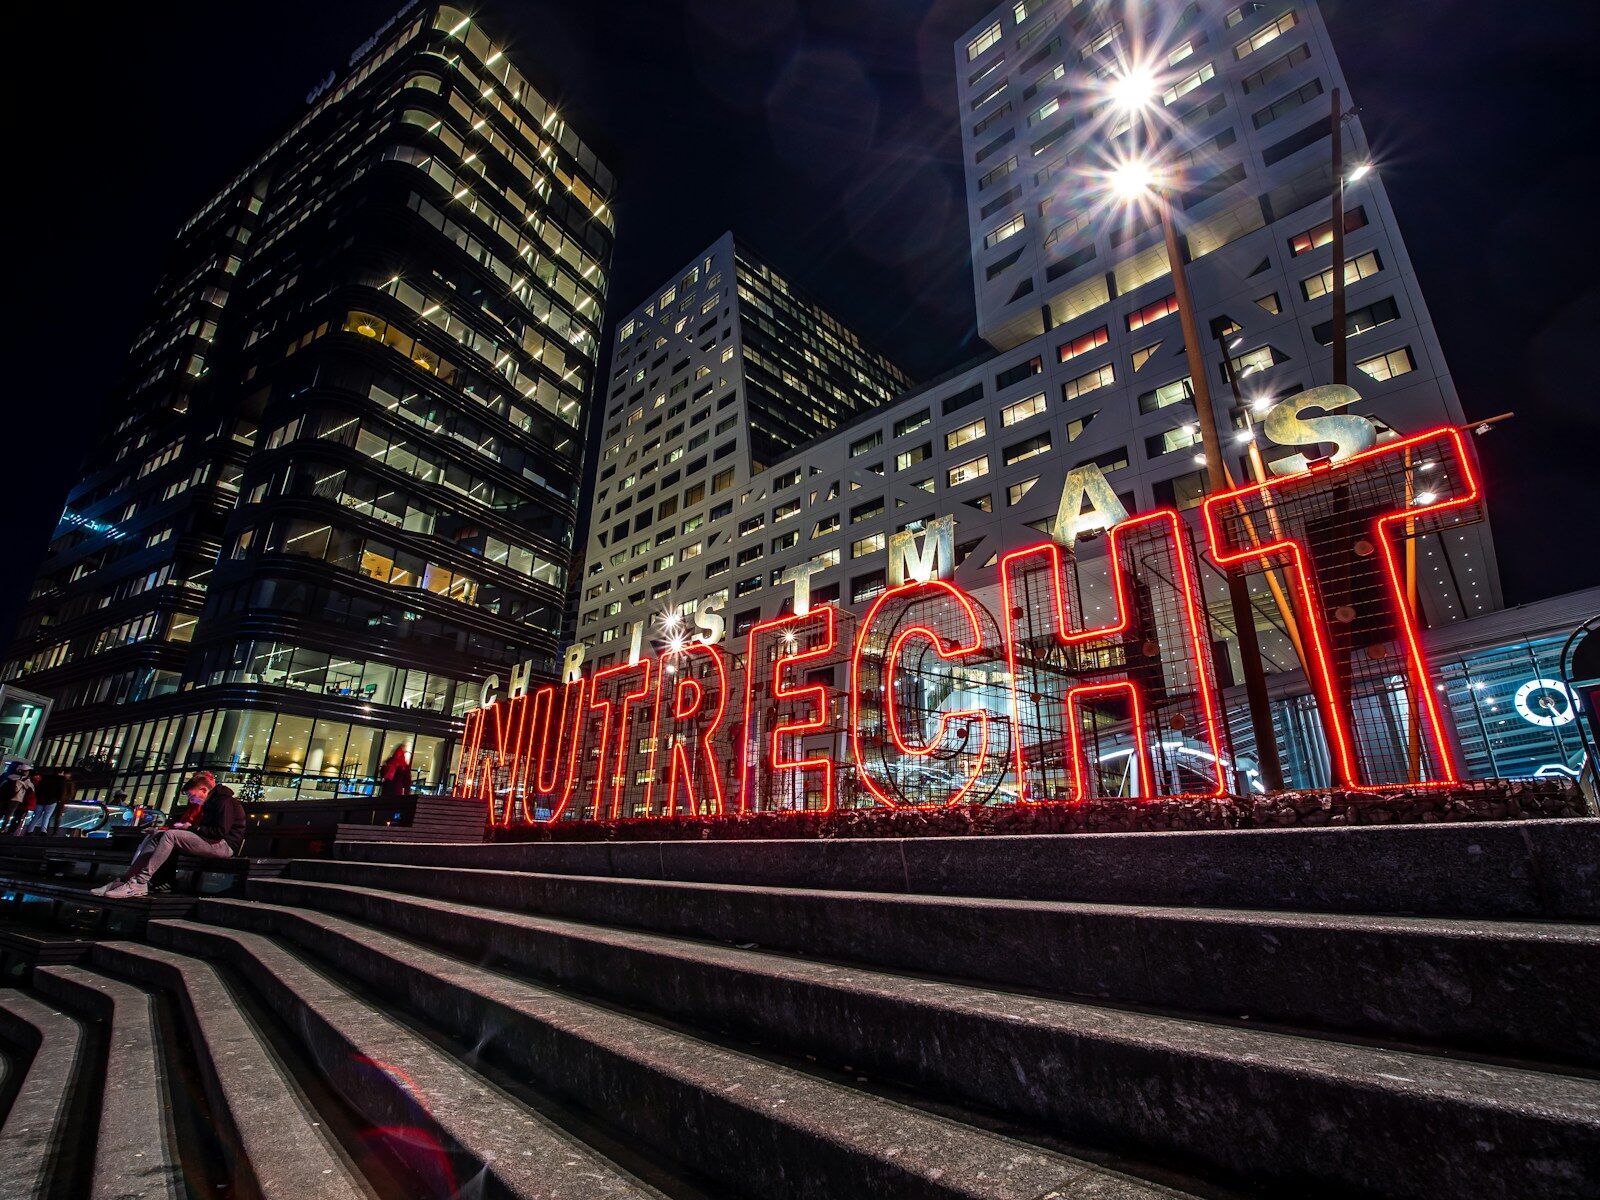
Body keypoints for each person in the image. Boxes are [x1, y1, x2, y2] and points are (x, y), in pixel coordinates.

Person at [92, 782, 244, 899]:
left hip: (224, 846)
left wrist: (190, 828)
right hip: (212, 842)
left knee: (170, 835)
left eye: (193, 796)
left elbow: (219, 832)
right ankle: (126, 880)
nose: (192, 800)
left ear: (204, 790)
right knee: (158, 835)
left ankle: (140, 882)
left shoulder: (224, 802)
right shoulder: (211, 804)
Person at [26, 769, 75, 834]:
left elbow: (38, 789)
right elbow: (61, 791)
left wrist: (39, 797)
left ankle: (29, 830)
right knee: (47, 816)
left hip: (41, 800)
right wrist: (58, 799)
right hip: (52, 801)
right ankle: (43, 831)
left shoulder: (45, 778)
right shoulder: (61, 780)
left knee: (36, 816)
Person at [0, 764, 36, 834]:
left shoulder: (10, 776)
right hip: (16, 799)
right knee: (8, 815)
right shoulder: (26, 780)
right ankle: (3, 829)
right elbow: (32, 790)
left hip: (4, 798)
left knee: (1, 813)